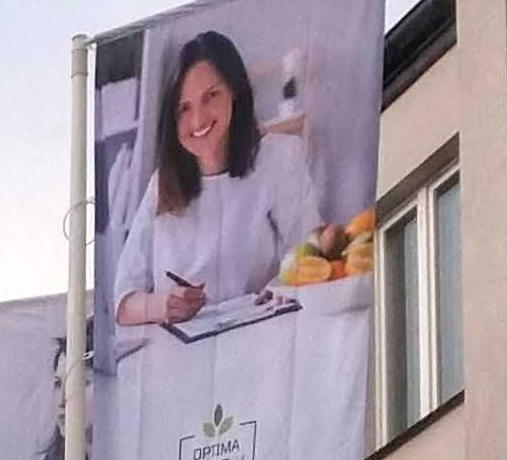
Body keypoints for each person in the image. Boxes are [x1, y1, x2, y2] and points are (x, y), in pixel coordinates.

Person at [111, 30, 339, 327]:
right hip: (181, 349)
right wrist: (163, 305)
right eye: (184, 108)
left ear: (235, 92)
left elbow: (310, 256)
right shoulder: (162, 184)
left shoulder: (279, 157)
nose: (198, 120)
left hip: (264, 334)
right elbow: (123, 303)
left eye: (211, 97)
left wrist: (278, 290)